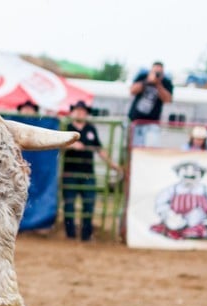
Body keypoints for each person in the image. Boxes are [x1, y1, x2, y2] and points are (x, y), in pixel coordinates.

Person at [61, 100, 120, 242]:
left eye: (83, 110)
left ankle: (86, 235)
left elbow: (99, 148)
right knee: (69, 204)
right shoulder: (66, 127)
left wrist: (112, 164)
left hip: (88, 173)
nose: (80, 112)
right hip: (70, 172)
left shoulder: (91, 129)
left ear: (86, 113)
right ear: (73, 112)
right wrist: (71, 145)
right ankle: (70, 235)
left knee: (89, 203)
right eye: (77, 110)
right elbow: (59, 146)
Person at [150, 161, 207, 240]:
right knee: (172, 224)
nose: (190, 172)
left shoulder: (205, 190)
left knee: (197, 217)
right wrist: (169, 214)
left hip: (198, 220)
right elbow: (161, 203)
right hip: (176, 219)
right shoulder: (173, 189)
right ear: (178, 173)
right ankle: (176, 231)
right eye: (185, 169)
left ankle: (195, 231)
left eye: (195, 170)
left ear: (201, 174)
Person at [128, 61, 173, 148]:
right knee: (134, 148)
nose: (156, 74)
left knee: (151, 148)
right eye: (155, 71)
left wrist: (158, 84)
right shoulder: (142, 77)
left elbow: (167, 100)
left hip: (152, 122)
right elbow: (132, 91)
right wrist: (147, 81)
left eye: (159, 72)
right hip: (135, 120)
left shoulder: (166, 82)